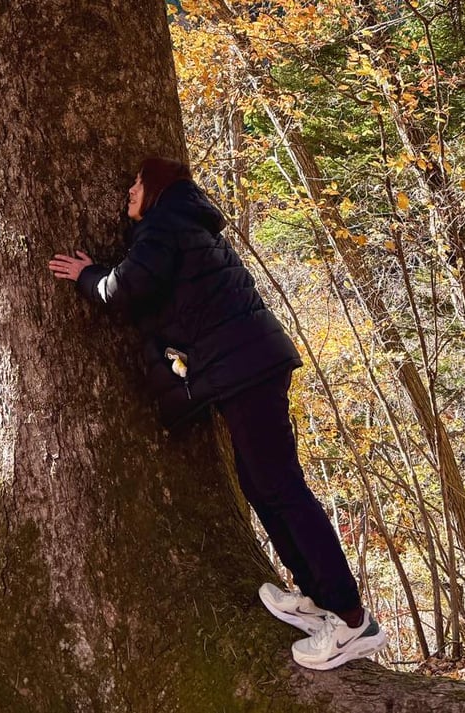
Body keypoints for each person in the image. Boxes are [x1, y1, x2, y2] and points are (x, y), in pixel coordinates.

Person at [47, 157, 386, 670]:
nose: (128, 193)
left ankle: (350, 617)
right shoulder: (182, 223)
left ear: (157, 187)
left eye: (135, 183)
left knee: (283, 489)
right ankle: (318, 599)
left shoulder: (166, 224)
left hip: (247, 368)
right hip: (246, 367)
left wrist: (87, 274)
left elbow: (125, 289)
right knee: (262, 486)